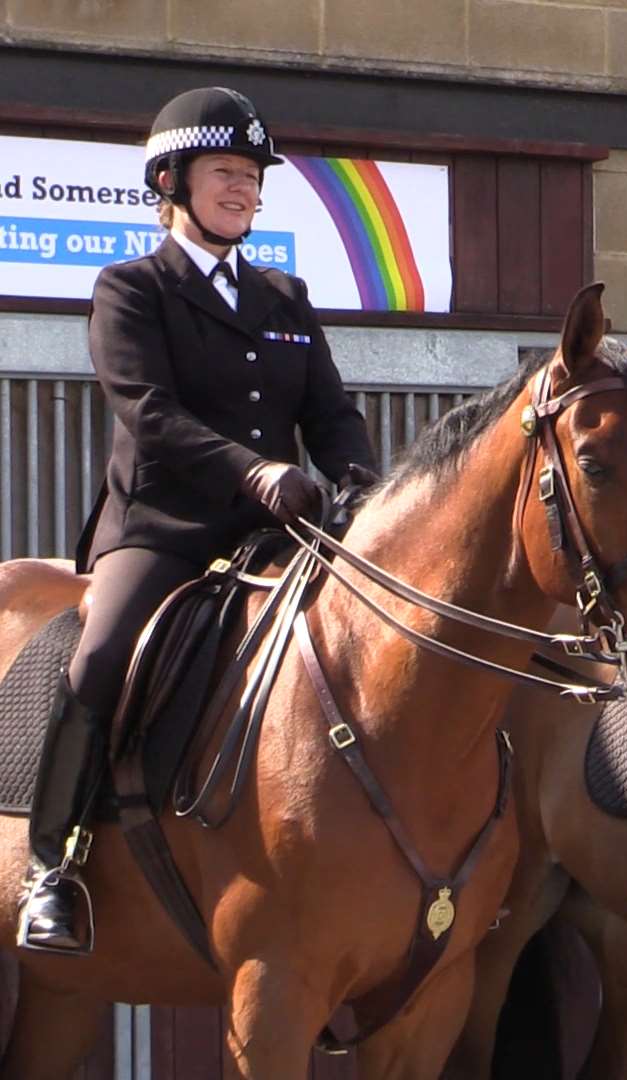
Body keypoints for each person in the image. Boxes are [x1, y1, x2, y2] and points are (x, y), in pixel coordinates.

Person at [17, 86, 378, 954]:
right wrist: (256, 474)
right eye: (226, 173)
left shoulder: (286, 297)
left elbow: (329, 413)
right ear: (172, 181)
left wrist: (363, 482)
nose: (244, 190)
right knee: (100, 657)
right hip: (164, 531)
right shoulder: (130, 288)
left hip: (277, 535)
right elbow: (150, 414)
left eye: (254, 178)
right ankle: (52, 866)